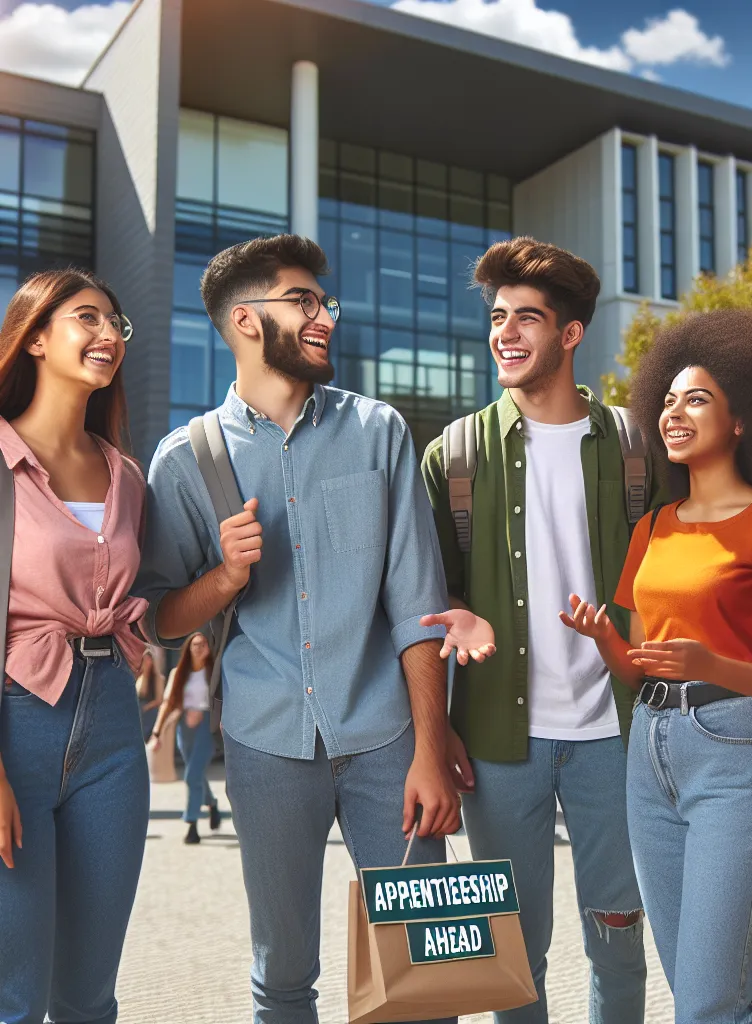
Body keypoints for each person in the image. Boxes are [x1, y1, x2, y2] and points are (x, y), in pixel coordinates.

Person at [133, 234, 491, 1024]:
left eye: (323, 301)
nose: (326, 315)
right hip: (265, 747)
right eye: (304, 301)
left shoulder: (379, 431)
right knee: (283, 981)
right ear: (245, 321)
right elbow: (158, 617)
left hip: (389, 740)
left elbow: (416, 608)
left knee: (431, 980)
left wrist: (432, 749)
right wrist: (223, 580)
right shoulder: (183, 460)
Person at [562, 309, 752, 1024]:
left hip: (735, 753)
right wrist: (606, 644)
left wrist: (714, 662)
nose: (674, 412)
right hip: (648, 753)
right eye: (670, 399)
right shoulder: (653, 525)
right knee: (688, 990)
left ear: (743, 419)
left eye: (698, 399)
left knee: (712, 999)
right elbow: (641, 667)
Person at [422, 237, 652, 1024]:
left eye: (527, 317)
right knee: (509, 948)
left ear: (571, 333)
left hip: (618, 734)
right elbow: (423, 604)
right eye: (496, 317)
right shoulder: (451, 455)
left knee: (619, 936)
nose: (505, 334)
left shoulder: (639, 445)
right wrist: (436, 724)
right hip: (494, 739)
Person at [0, 269, 149, 1022]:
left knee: (89, 997)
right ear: (33, 337)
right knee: (13, 996)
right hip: (15, 722)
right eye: (86, 318)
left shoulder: (126, 474)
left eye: (115, 323)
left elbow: (147, 607)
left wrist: (226, 577)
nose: (107, 335)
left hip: (115, 728)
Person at [150, 631, 222, 844]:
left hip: (206, 728)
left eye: (203, 645)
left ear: (208, 649)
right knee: (196, 773)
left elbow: (222, 701)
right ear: (188, 648)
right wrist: (157, 733)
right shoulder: (178, 673)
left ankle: (191, 824)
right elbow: (167, 703)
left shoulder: (214, 673)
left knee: (191, 775)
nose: (199, 648)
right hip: (184, 728)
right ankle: (212, 803)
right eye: (195, 645)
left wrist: (206, 713)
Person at [136, 644, 166, 736]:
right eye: (145, 660)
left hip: (151, 708)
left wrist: (147, 707)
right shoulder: (139, 677)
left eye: (149, 659)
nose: (147, 662)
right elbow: (141, 693)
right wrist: (145, 675)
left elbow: (159, 700)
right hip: (140, 707)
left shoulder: (159, 678)